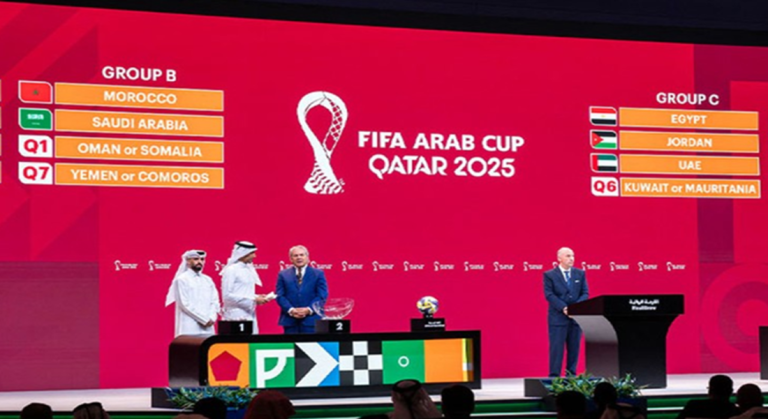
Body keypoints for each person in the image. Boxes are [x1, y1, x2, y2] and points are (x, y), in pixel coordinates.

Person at [544, 247, 589, 377]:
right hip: (558, 318)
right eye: (568, 256)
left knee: (574, 348)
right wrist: (564, 308)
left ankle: (571, 376)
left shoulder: (580, 273)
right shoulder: (550, 275)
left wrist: (575, 308)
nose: (571, 259)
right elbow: (549, 295)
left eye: (573, 256)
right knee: (557, 349)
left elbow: (585, 293)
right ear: (559, 258)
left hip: (575, 318)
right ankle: (554, 377)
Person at [165, 250, 220, 337]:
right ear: (187, 261)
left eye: (202, 259)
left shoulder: (208, 280)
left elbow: (214, 301)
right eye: (196, 259)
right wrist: (204, 319)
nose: (199, 262)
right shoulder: (182, 279)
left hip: (208, 326)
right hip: (189, 326)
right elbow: (184, 304)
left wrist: (212, 317)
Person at [221, 241, 272, 333]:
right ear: (243, 253)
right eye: (252, 253)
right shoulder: (231, 270)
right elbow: (227, 296)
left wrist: (257, 297)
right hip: (235, 316)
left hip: (250, 314)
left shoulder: (248, 269)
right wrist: (253, 300)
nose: (254, 256)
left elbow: (243, 292)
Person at [276, 245, 328, 334]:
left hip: (312, 320)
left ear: (307, 257)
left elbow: (322, 295)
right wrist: (291, 310)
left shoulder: (318, 273)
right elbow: (280, 295)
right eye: (295, 255)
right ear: (291, 259)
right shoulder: (283, 274)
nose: (299, 257)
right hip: (290, 321)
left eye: (301, 255)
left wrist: (309, 309)